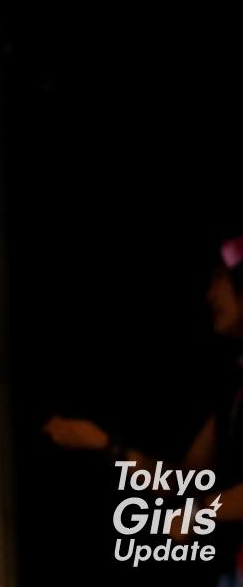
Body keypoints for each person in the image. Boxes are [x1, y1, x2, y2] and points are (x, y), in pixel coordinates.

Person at [45, 235, 243, 584]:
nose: (210, 294)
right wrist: (107, 446)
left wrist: (202, 511)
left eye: (220, 280)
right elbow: (185, 481)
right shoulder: (233, 388)